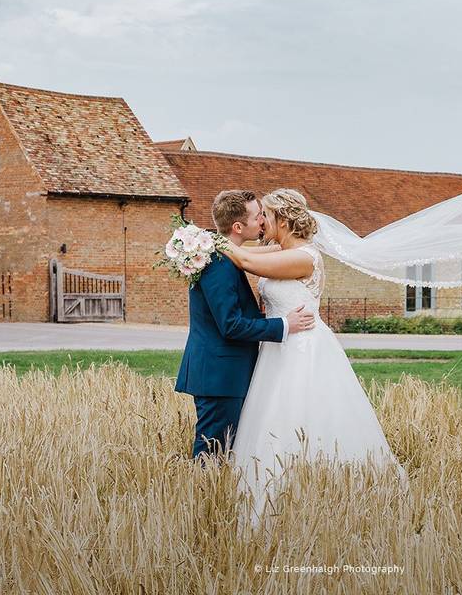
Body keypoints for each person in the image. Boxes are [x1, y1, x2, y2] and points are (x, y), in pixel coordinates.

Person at [219, 188, 408, 524]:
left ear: (284, 219)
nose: (261, 221)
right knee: (271, 418)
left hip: (303, 348)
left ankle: (320, 499)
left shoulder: (305, 257)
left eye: (266, 215)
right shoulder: (279, 250)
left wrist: (202, 243)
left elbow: (246, 261)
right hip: (277, 348)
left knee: (303, 415)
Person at [175, 190, 316, 462]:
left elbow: (257, 255)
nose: (262, 221)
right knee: (212, 454)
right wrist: (284, 325)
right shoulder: (217, 263)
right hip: (219, 376)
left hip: (226, 373)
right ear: (238, 227)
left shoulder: (225, 255)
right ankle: (204, 502)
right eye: (258, 216)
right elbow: (231, 325)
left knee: (225, 451)